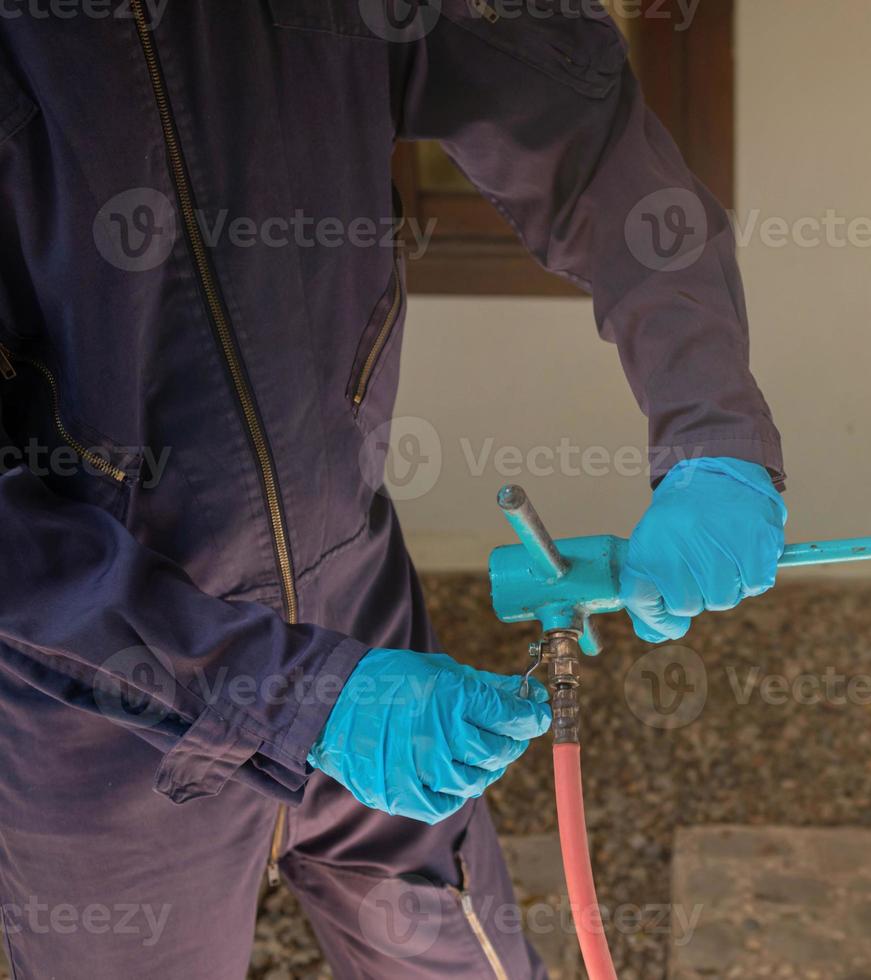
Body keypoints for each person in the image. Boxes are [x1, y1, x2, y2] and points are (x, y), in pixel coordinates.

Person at [0, 3, 784, 976]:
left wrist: (710, 425)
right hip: (111, 700)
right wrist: (308, 699)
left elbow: (581, 127)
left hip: (359, 613)